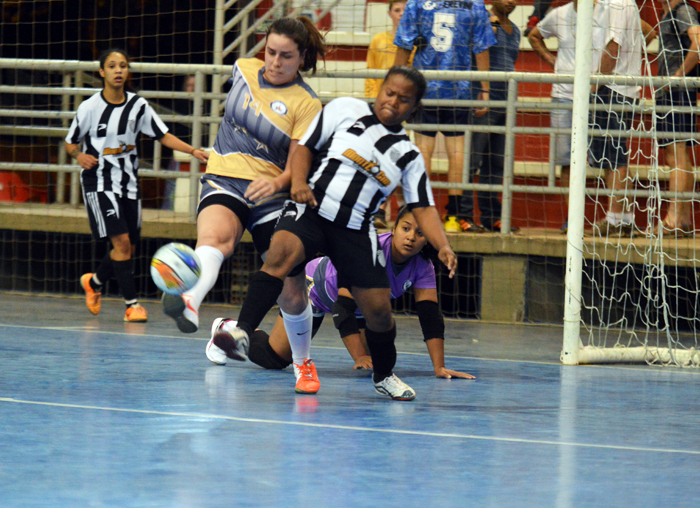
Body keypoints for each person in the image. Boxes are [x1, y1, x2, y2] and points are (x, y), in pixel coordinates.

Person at [206, 67, 459, 401]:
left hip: (356, 230)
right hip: (312, 209)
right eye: (389, 93)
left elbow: (423, 206)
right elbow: (304, 147)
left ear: (413, 107)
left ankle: (384, 375)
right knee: (279, 257)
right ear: (379, 90)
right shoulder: (344, 110)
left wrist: (442, 245)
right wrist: (297, 183)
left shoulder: (408, 155)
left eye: (404, 99)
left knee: (380, 313)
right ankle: (240, 331)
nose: (393, 102)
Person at [160, 17, 326, 333]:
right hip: (224, 178)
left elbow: (298, 164)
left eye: (286, 56)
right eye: (271, 52)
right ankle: (189, 302)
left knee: (290, 289)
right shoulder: (243, 68)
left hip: (272, 195)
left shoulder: (307, 104)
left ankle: (300, 360)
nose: (275, 62)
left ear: (302, 57)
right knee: (215, 240)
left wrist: (276, 182)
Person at [246, 207, 474, 380]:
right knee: (275, 359)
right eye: (406, 228)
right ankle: (233, 329)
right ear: (394, 229)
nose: (412, 237)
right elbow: (342, 307)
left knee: (378, 360)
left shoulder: (424, 266)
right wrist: (358, 357)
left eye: (420, 233)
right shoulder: (372, 253)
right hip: (315, 290)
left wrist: (439, 366)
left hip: (360, 309)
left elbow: (430, 316)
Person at [66, 48, 208, 323]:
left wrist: (193, 151)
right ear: (102, 72)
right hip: (99, 182)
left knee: (127, 247)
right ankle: (132, 306)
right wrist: (79, 155)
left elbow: (163, 135)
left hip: (128, 184)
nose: (118, 70)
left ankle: (93, 283)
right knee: (121, 242)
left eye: (123, 66)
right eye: (112, 66)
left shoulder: (138, 106)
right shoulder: (89, 108)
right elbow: (71, 141)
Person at [394, 0, 497, 234]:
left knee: (423, 149)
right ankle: (454, 215)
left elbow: (403, 44)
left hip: (424, 85)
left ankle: (419, 211)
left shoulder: (418, 3)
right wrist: (486, 89)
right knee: (457, 149)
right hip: (458, 87)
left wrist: (395, 84)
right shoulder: (475, 4)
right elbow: (482, 48)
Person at [528, 0, 606, 234]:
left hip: (596, 96)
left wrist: (620, 65)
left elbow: (644, 30)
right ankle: (573, 220)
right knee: (566, 161)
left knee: (604, 161)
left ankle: (610, 218)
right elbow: (534, 36)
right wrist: (554, 62)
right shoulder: (559, 14)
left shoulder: (608, 11)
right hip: (563, 96)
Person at [461, 0, 521, 233]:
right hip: (481, 100)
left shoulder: (514, 30)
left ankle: (491, 216)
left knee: (496, 163)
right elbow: (468, 51)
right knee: (471, 160)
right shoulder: (480, 20)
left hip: (506, 102)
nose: (510, 1)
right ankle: (463, 215)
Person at [588, 0, 648, 237]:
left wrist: (596, 82)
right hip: (618, 87)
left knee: (614, 155)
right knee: (612, 154)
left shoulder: (616, 2)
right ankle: (621, 217)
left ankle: (616, 219)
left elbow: (613, 46)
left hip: (614, 88)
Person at [655, 0, 700, 237]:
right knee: (678, 155)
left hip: (677, 92)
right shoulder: (670, 13)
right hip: (675, 91)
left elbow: (698, 43)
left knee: (677, 154)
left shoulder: (682, 10)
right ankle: (683, 219)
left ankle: (674, 219)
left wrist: (679, 76)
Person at [365, 0, 412, 229]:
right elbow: (370, 74)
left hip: (404, 113)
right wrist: (376, 106)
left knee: (402, 162)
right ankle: (379, 210)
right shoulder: (378, 41)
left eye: (405, 10)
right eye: (397, 10)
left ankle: (404, 208)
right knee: (379, 161)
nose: (401, 14)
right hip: (381, 111)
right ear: (389, 13)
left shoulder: (413, 43)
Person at [161, 74, 196, 211]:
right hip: (178, 154)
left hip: (198, 154)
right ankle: (167, 211)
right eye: (189, 86)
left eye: (195, 86)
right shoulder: (177, 105)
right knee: (171, 187)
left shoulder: (207, 106)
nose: (192, 90)